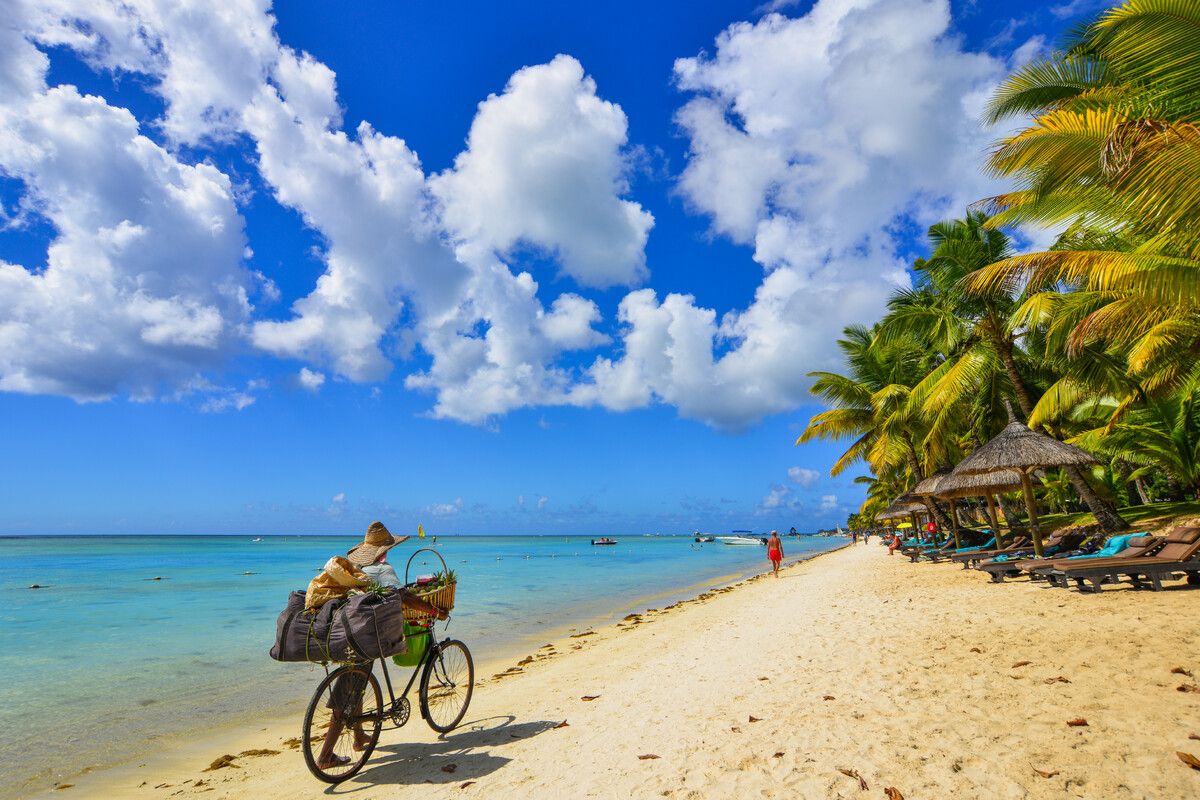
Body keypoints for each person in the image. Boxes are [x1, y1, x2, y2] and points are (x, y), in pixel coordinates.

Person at [314, 521, 443, 771]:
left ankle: (359, 736)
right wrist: (433, 610)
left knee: (359, 681)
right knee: (348, 691)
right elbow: (402, 595)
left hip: (346, 632)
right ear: (385, 550)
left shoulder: (356, 566)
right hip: (364, 636)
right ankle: (325, 756)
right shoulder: (383, 570)